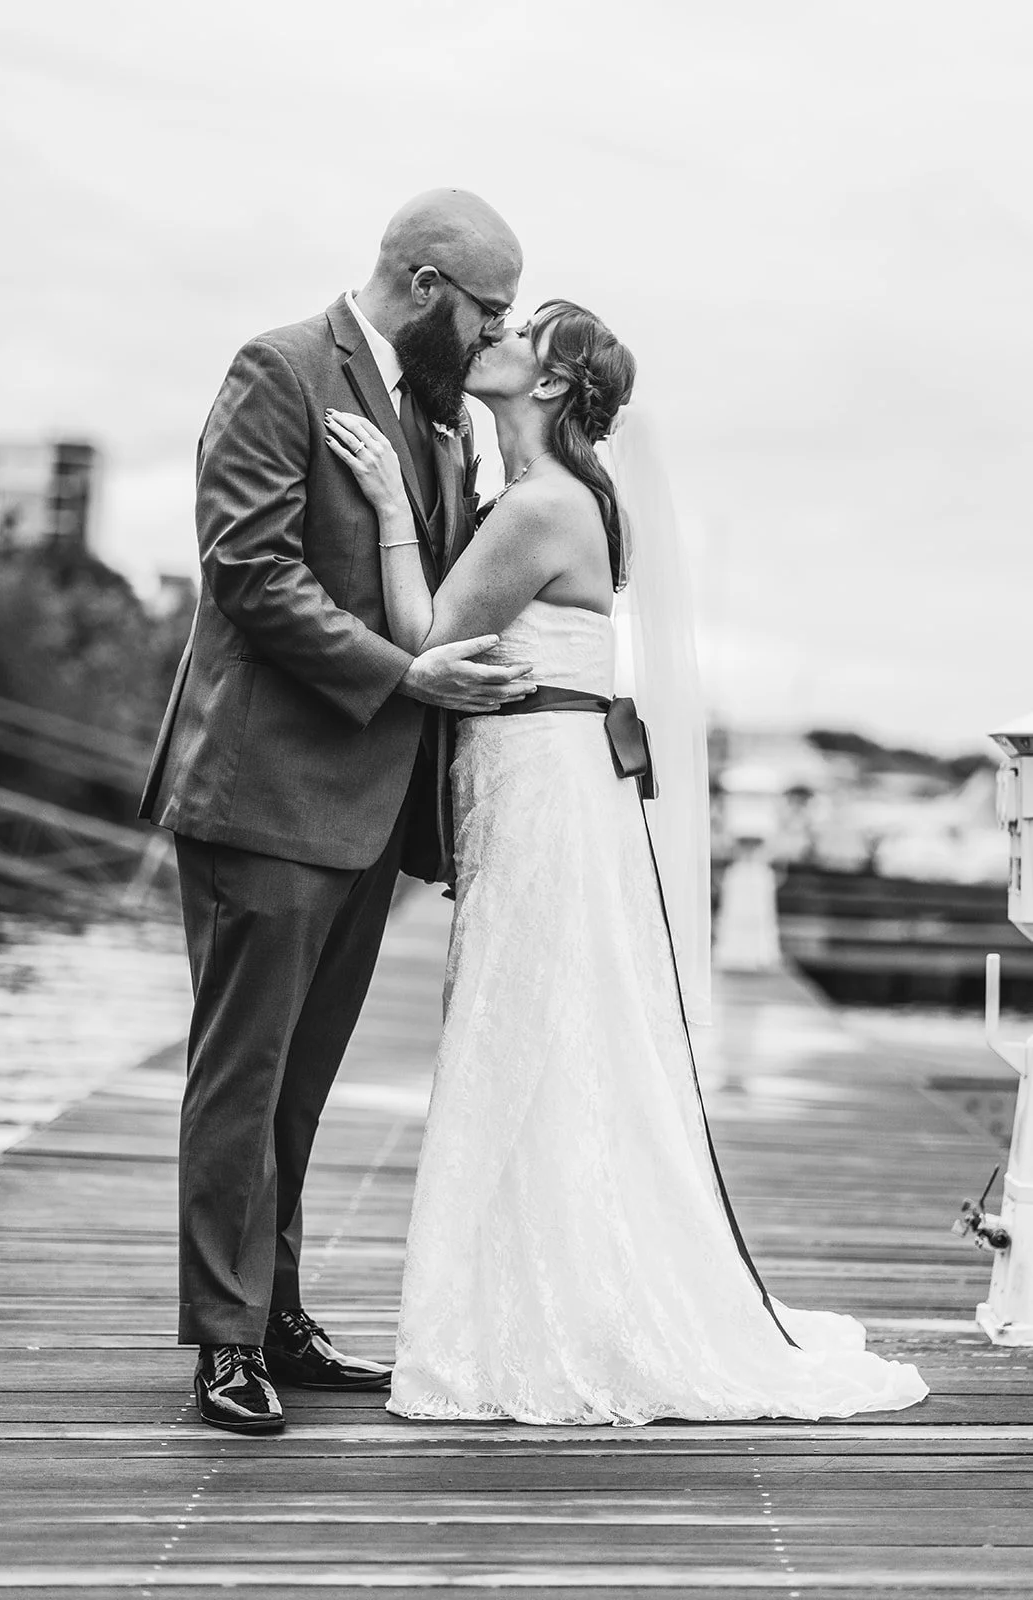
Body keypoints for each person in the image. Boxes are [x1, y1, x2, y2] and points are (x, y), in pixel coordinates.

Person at [324, 298, 929, 1425]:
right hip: (548, 781)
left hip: (542, 787)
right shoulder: (562, 494)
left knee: (525, 1027)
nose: (492, 343)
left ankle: (539, 1314)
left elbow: (426, 639)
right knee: (550, 1025)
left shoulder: (539, 509)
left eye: (520, 339)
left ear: (550, 387)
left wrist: (383, 509)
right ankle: (556, 1285)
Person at [140, 189, 533, 1434]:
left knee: (300, 1087)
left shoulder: (438, 420)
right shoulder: (279, 370)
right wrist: (399, 674)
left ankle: (280, 1315)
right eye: (485, 314)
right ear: (424, 286)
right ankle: (221, 1340)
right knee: (241, 1077)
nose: (489, 340)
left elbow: (449, 583)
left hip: (371, 809)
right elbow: (251, 573)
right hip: (265, 792)